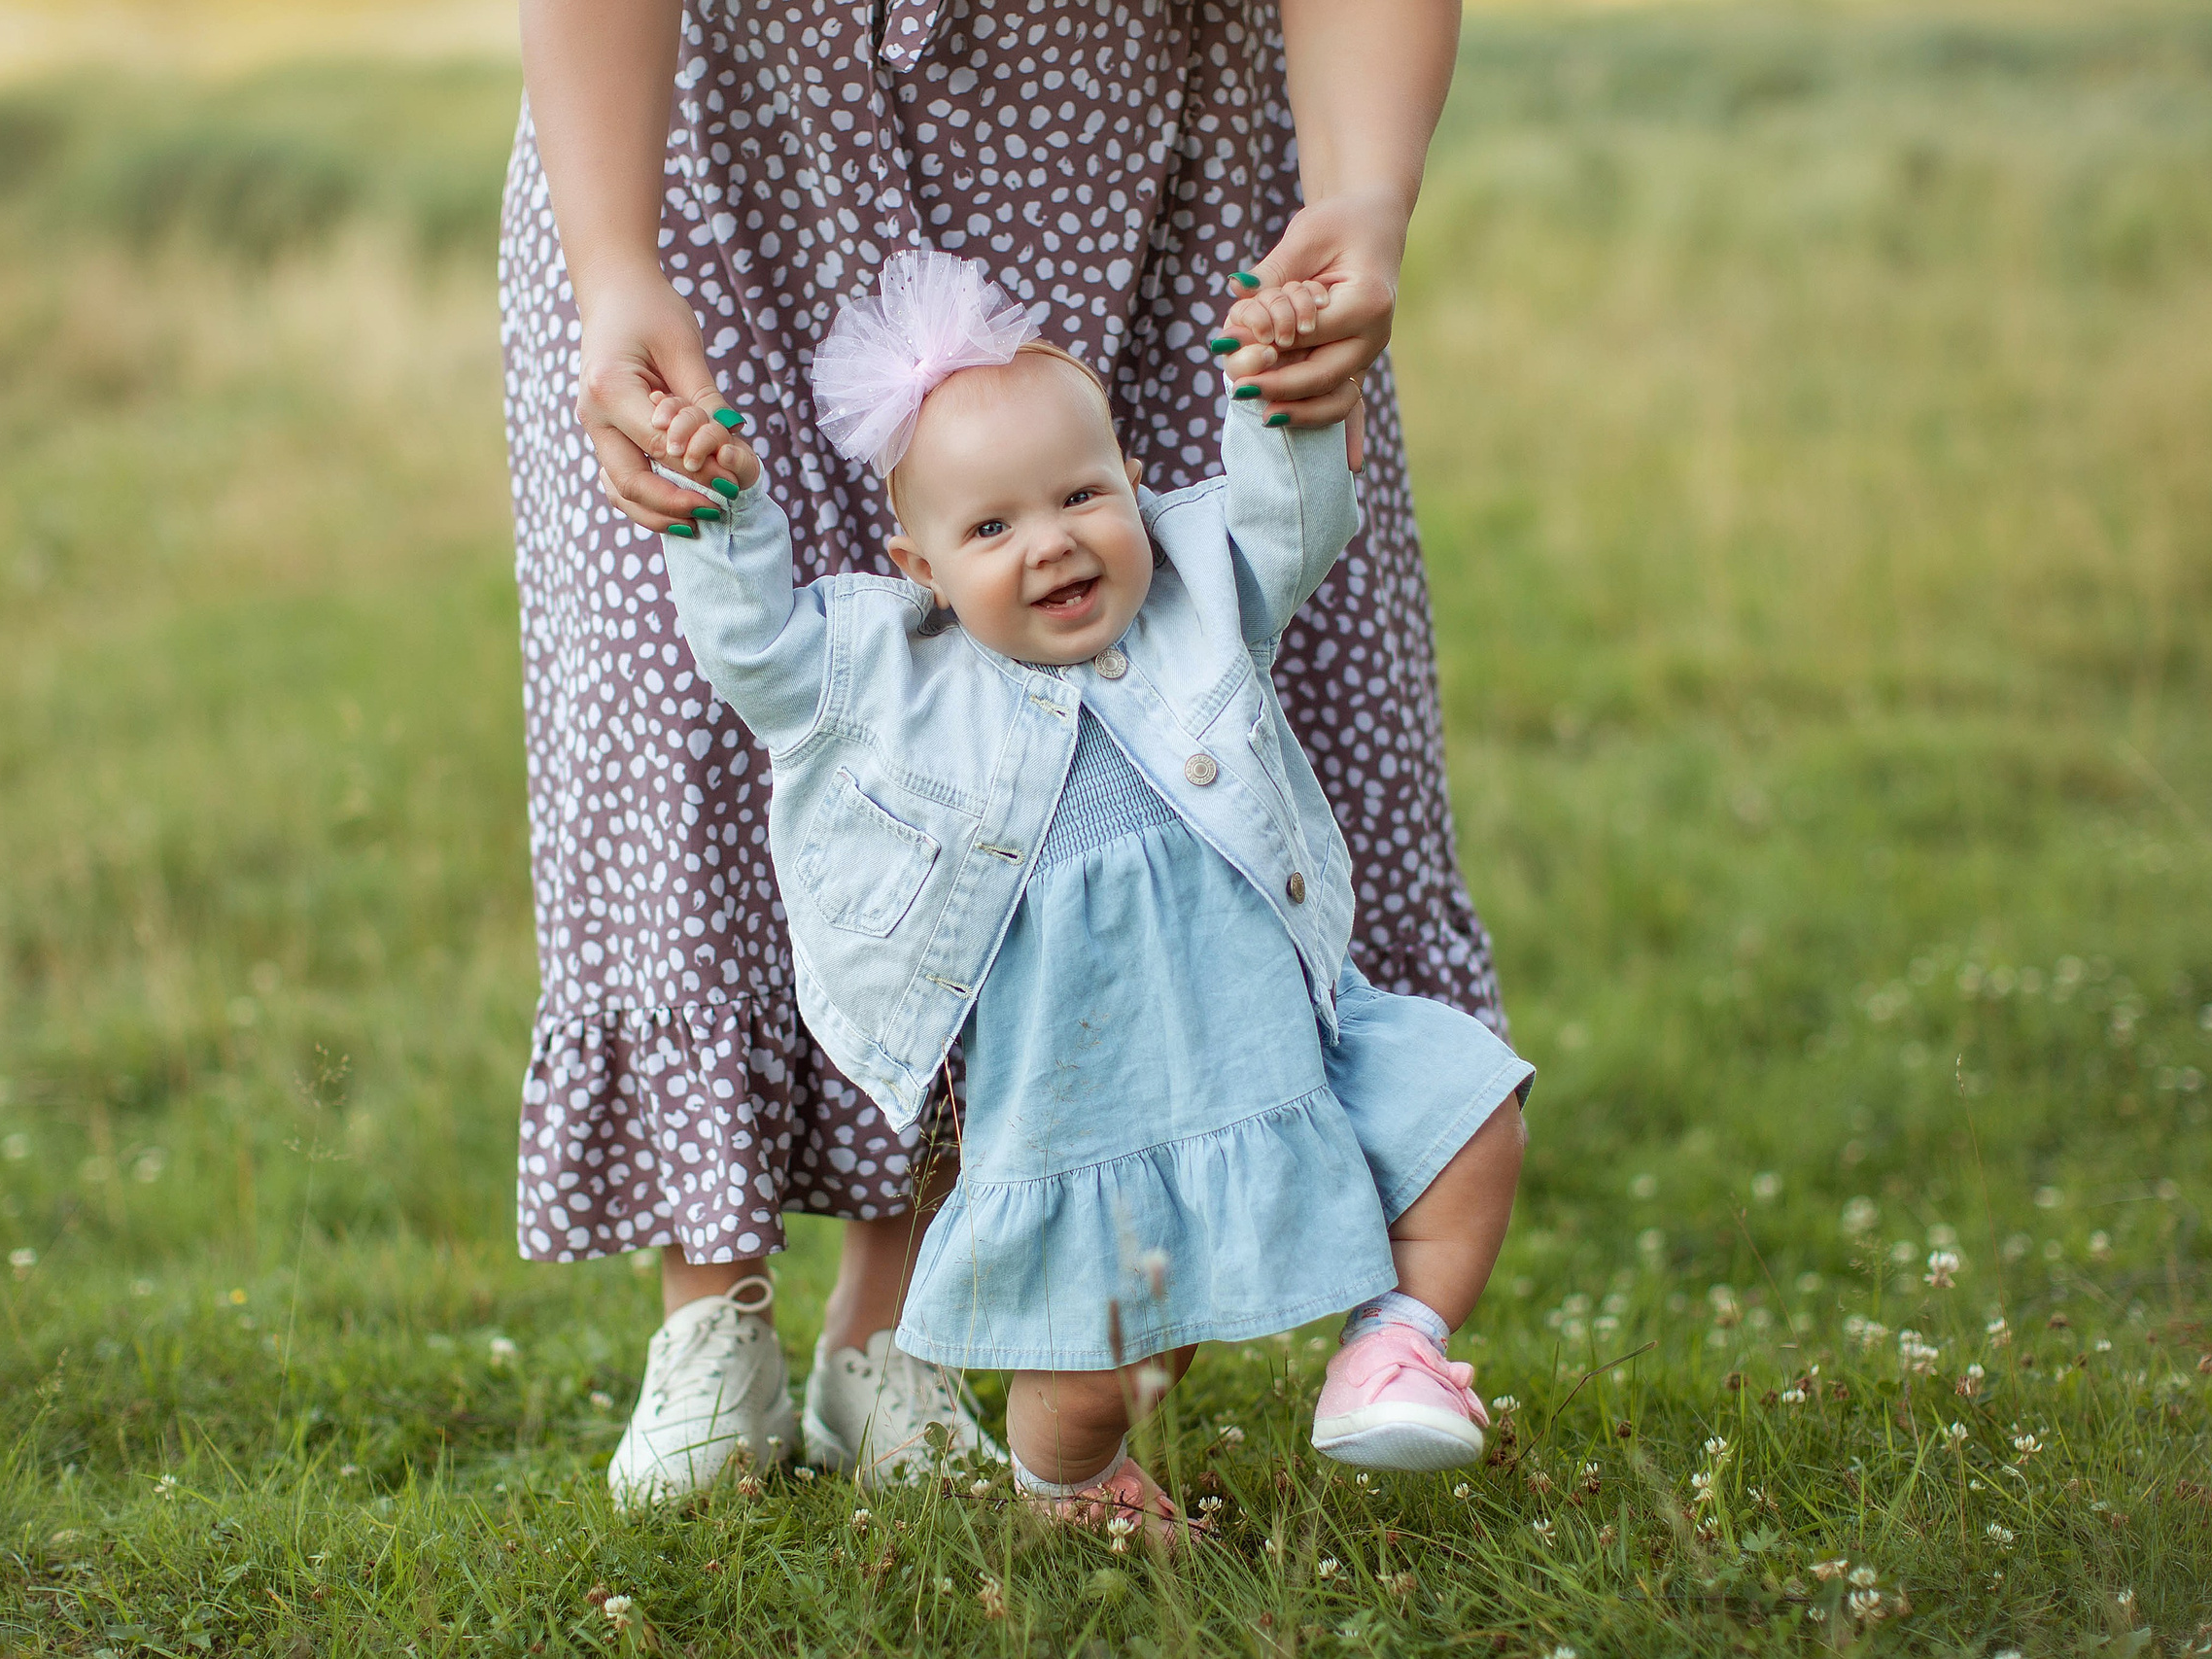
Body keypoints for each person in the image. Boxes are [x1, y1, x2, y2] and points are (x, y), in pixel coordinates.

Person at [501, 0, 1504, 1504]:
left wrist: (1359, 191)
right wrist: (617, 265)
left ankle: (898, 1332)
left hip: (1107, 132)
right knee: (688, 714)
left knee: (1104, 719)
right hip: (728, 133)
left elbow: (1279, 523)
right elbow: (762, 652)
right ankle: (711, 1314)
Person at [638, 252, 1531, 1537]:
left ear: (1136, 494)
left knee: (1468, 1116)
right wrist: (722, 519)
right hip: (1080, 1106)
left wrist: (1276, 396)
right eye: (991, 528)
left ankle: (1392, 1346)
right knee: (1096, 1380)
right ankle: (1065, 1478)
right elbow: (759, 656)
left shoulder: (1196, 603)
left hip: (1274, 1039)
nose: (1050, 539)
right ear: (923, 568)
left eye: (1080, 494)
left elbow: (1291, 520)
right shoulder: (896, 683)